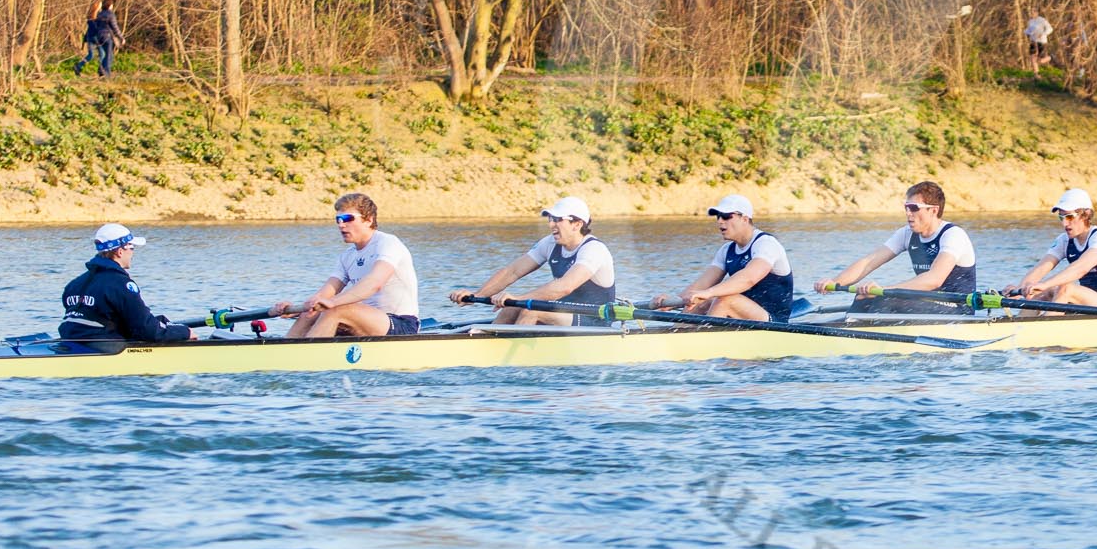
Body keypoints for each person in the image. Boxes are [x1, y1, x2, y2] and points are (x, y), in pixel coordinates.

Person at [272, 192, 421, 338]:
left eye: (348, 218)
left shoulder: (388, 243)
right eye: (338, 220)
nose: (341, 225)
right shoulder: (347, 256)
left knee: (336, 309)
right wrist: (298, 309)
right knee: (310, 314)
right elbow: (324, 295)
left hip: (400, 323)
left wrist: (332, 302)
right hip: (363, 320)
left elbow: (374, 283)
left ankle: (309, 351)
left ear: (368, 220)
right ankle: (286, 351)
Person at [449, 196, 618, 324]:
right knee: (512, 307)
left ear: (577, 224)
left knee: (530, 311)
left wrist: (521, 298)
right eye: (551, 219)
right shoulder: (550, 243)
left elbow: (565, 287)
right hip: (565, 314)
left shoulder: (593, 249)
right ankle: (488, 348)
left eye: (558, 219)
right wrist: (477, 295)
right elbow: (512, 272)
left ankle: (513, 356)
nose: (551, 224)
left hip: (595, 319)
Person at [814, 181, 977, 313]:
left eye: (914, 208)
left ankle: (866, 336)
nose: (908, 213)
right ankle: (847, 332)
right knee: (864, 296)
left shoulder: (953, 235)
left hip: (958, 307)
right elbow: (868, 263)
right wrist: (834, 282)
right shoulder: (907, 234)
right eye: (906, 207)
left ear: (933, 210)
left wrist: (884, 290)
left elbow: (934, 280)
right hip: (928, 302)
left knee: (885, 298)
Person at [659, 194, 794, 322]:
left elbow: (748, 278)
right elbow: (702, 285)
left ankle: (705, 336)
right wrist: (672, 302)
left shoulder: (766, 244)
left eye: (726, 216)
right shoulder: (726, 250)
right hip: (744, 317)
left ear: (745, 219)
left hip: (774, 322)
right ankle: (678, 333)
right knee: (699, 301)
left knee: (724, 299)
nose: (720, 221)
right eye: (718, 216)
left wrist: (709, 293)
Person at [59, 223, 192, 343]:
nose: (132, 253)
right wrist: (184, 332)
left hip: (72, 343)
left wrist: (162, 323)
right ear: (120, 251)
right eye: (132, 248)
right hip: (103, 348)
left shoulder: (74, 284)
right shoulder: (121, 285)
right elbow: (147, 331)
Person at [1010, 188, 1097, 308]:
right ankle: (1021, 321)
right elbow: (1041, 268)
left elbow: (1080, 269)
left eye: (1069, 217)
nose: (1064, 223)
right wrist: (1019, 289)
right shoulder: (1064, 240)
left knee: (1065, 288)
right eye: (1061, 217)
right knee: (1038, 293)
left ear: (1086, 214)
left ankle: (1048, 320)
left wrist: (1045, 284)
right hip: (1087, 305)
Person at [75, 0, 123, 78]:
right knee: (101, 54)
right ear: (97, 7)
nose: (101, 7)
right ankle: (101, 70)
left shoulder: (95, 15)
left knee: (95, 55)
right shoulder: (95, 16)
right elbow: (94, 29)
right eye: (100, 6)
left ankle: (81, 66)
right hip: (94, 38)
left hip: (93, 37)